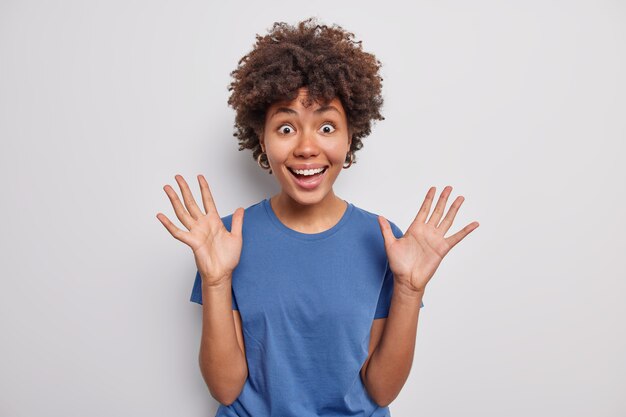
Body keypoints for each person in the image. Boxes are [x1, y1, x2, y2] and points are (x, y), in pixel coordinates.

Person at [156, 17, 479, 417]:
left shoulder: (386, 242)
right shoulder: (224, 240)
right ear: (262, 139)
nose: (307, 147)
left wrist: (410, 292)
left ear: (349, 137)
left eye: (326, 126)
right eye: (286, 127)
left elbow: (381, 392)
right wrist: (216, 280)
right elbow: (225, 389)